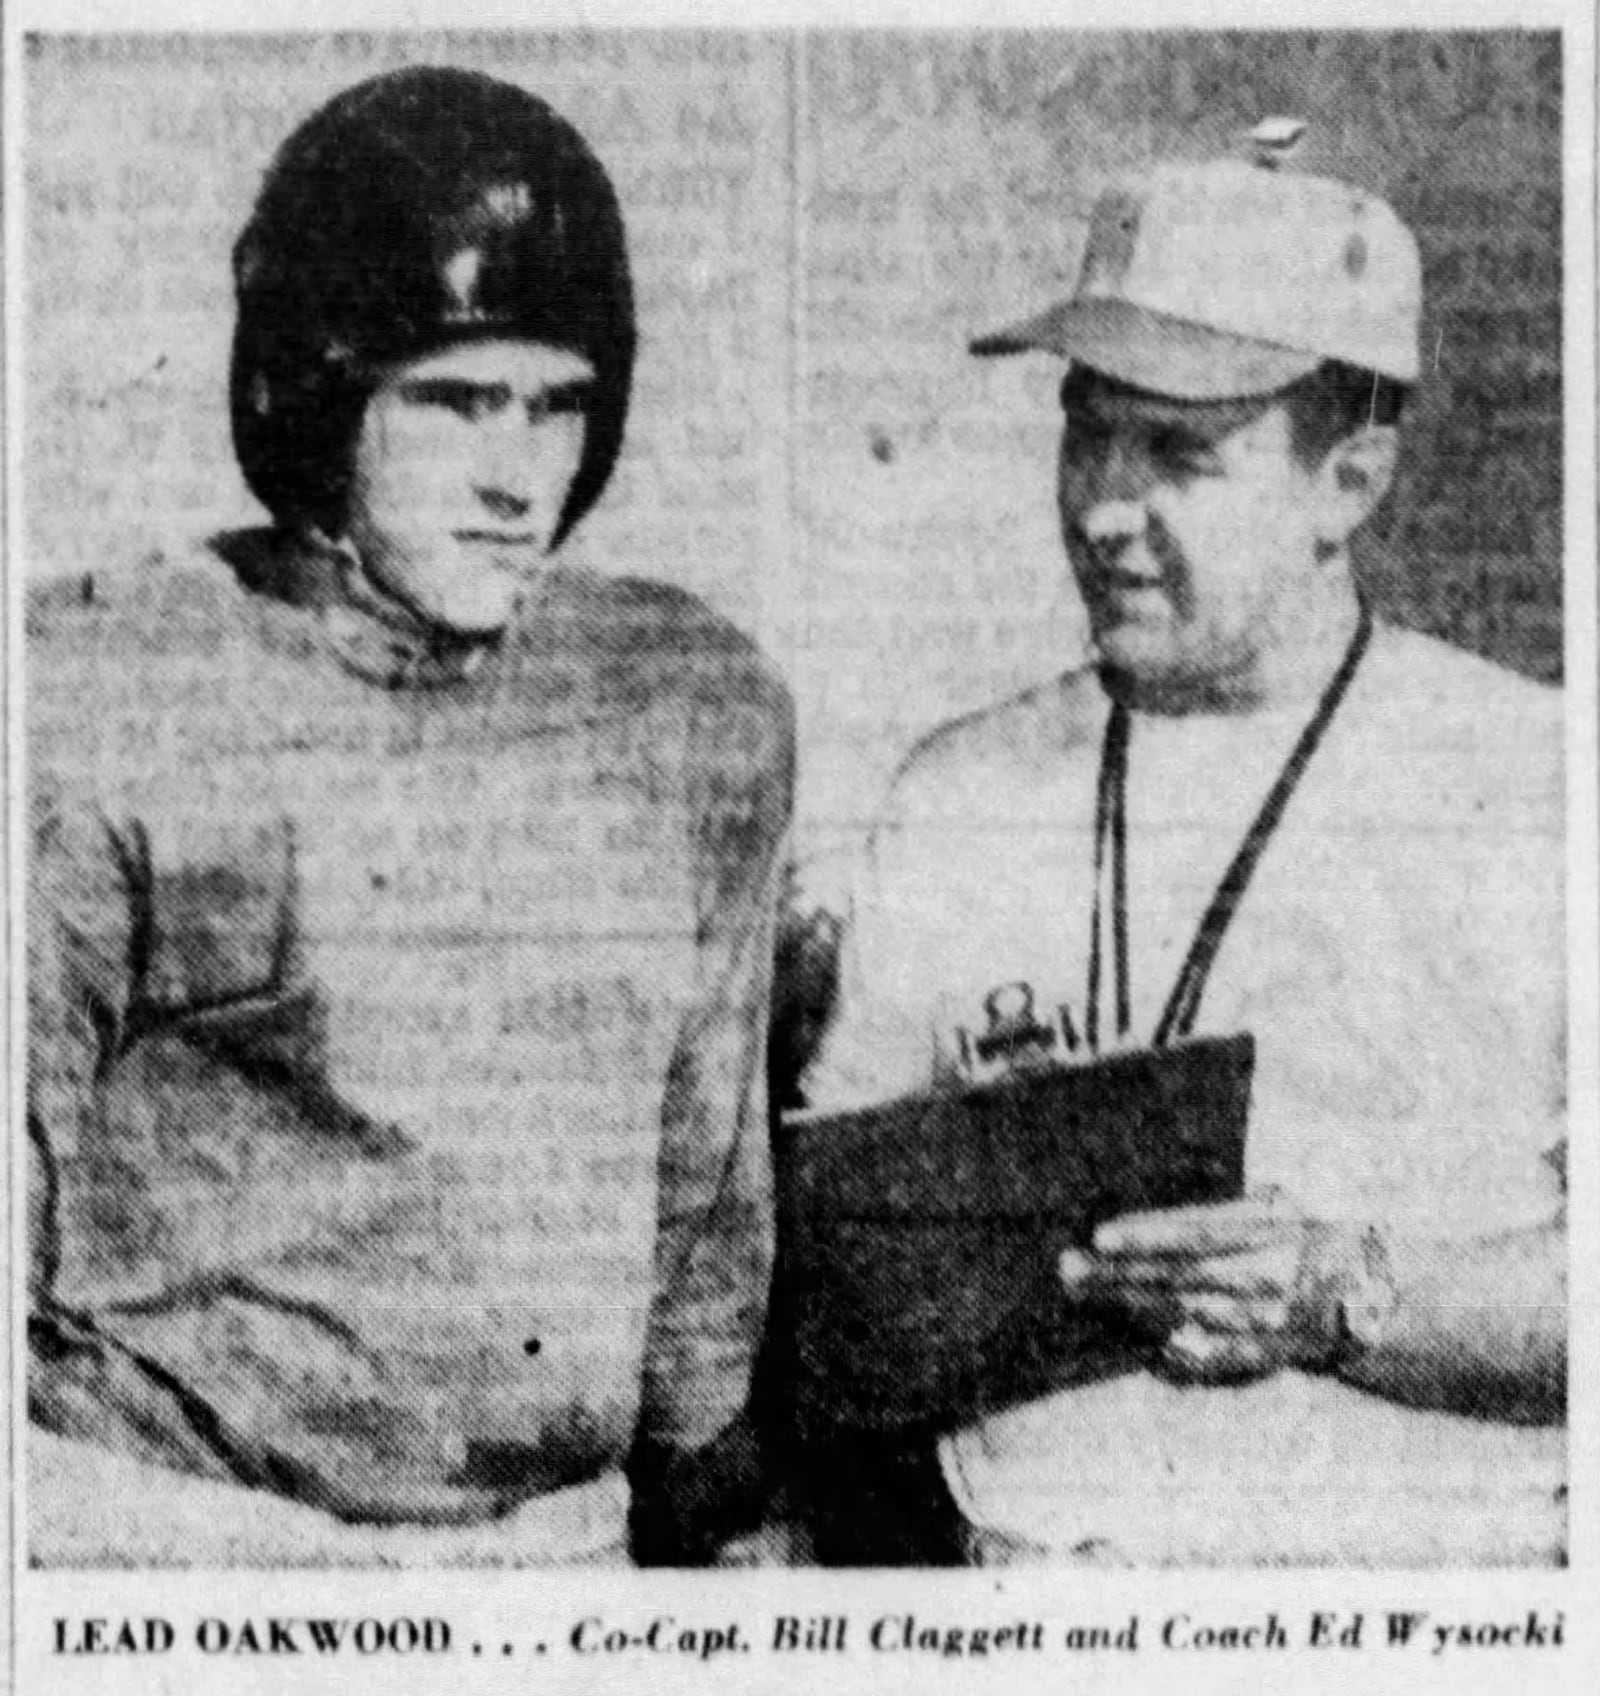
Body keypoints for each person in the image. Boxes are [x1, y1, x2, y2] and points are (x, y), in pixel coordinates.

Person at [27, 66, 793, 1567]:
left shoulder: (688, 702)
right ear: (319, 395)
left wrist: (721, 1555)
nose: (517, 478)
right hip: (181, 1553)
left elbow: (705, 1204)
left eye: (556, 410)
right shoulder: (103, 688)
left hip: (554, 1560)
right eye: (453, 404)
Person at [802, 139, 1565, 1566]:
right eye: (1087, 429)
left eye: (1179, 455)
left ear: (1351, 480)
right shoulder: (959, 791)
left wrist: (1344, 1299)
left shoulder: (1535, 783)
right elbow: (843, 1268)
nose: (1101, 506)